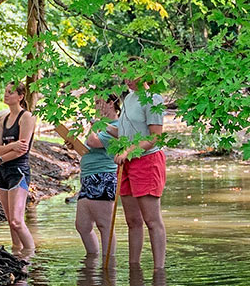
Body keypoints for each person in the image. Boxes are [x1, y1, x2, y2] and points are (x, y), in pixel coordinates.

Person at [54, 91, 122, 257]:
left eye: (99, 102)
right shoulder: (99, 126)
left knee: (104, 224)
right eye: (95, 103)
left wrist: (94, 124)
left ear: (111, 103)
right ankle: (92, 259)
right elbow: (88, 149)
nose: (95, 107)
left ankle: (108, 264)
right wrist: (74, 145)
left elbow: (94, 142)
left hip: (104, 176)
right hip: (88, 177)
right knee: (82, 225)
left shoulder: (117, 126)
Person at [118, 79, 168, 271]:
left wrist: (128, 151)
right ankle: (134, 268)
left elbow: (155, 136)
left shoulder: (153, 99)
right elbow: (125, 133)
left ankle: (158, 271)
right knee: (133, 221)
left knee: (152, 220)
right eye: (124, 75)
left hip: (146, 160)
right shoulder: (129, 98)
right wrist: (103, 127)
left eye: (132, 74)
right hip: (126, 162)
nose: (127, 79)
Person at [0, 81, 37, 261]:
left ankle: (30, 256)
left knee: (17, 221)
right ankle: (16, 255)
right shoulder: (3, 119)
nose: (6, 95)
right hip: (2, 172)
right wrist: (9, 148)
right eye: (5, 91)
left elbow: (22, 149)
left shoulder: (26, 117)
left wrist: (2, 156)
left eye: (11, 92)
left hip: (19, 171)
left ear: (20, 96)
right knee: (10, 220)